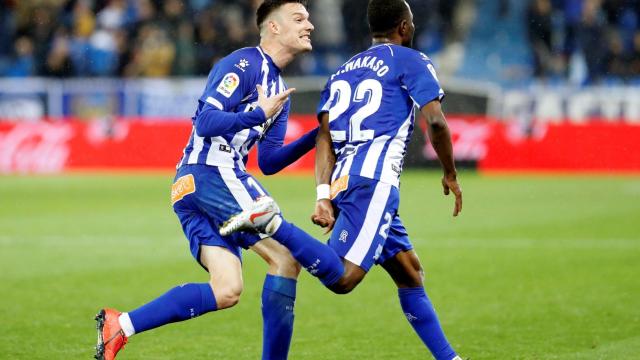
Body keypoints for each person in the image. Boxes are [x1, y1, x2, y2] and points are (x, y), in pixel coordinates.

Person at [220, 1, 463, 359]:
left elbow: (324, 137)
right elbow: (437, 122)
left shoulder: (343, 71)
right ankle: (273, 223)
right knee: (344, 278)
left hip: (345, 181)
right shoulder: (413, 60)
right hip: (375, 182)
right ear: (405, 28)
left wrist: (323, 194)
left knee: (410, 272)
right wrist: (450, 172)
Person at [94, 1, 316, 359]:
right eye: (299, 18)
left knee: (226, 290)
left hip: (191, 188)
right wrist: (258, 113)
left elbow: (271, 162)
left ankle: (121, 325)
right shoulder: (243, 64)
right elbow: (206, 121)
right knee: (287, 258)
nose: (310, 25)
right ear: (273, 27)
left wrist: (317, 135)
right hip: (211, 173)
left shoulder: (280, 91)